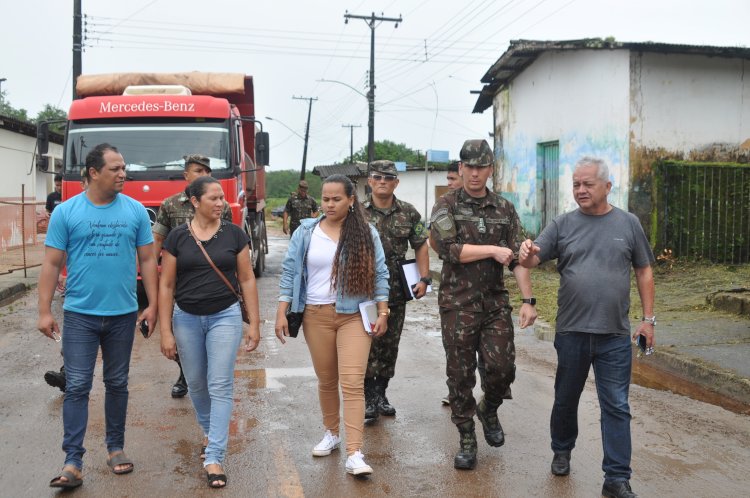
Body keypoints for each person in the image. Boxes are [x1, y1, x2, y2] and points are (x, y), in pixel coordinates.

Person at [518, 157, 655, 498]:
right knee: (566, 399)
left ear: (607, 187)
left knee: (617, 406)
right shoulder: (562, 224)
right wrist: (526, 250)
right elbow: (533, 258)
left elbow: (644, 271)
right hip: (572, 332)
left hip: (614, 335)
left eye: (587, 184)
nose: (580, 190)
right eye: (576, 184)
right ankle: (561, 449)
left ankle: (616, 478)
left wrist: (648, 321)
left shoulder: (628, 224)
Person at [37, 143, 158, 489]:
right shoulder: (67, 212)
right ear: (93, 172)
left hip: (122, 315)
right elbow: (51, 262)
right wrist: (44, 310)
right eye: (115, 169)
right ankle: (73, 462)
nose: (123, 174)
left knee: (117, 383)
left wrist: (151, 304)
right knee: (76, 386)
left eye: (124, 168)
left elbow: (148, 260)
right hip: (79, 316)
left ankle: (115, 448)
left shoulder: (135, 211)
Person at [430, 139, 537, 470]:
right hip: (457, 303)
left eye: (481, 167)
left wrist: (528, 299)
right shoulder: (446, 205)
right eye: (469, 167)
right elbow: (449, 250)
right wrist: (492, 249)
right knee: (460, 374)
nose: (475, 174)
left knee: (501, 368)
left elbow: (518, 258)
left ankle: (489, 407)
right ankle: (466, 436)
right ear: (461, 168)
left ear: (491, 170)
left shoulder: (504, 209)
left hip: (493, 303)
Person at [275, 174, 389, 476]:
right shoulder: (306, 231)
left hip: (354, 315)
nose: (329, 204)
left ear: (351, 200)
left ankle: (354, 452)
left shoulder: (366, 233)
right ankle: (331, 433)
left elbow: (380, 273)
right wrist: (281, 311)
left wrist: (383, 311)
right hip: (315, 315)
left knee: (352, 383)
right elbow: (289, 272)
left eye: (336, 198)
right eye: (325, 198)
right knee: (327, 380)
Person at [158, 176, 261, 489]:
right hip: (186, 318)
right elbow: (166, 284)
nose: (220, 204)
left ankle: (215, 455)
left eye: (222, 198)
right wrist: (166, 330)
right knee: (197, 383)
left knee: (220, 383)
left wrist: (254, 323)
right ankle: (210, 432)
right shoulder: (176, 237)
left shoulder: (234, 234)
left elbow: (246, 280)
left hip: (224, 316)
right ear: (194, 201)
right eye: (213, 198)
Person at [152, 154, 233, 399]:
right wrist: (148, 268)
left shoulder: (222, 205)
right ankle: (186, 374)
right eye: (198, 170)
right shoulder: (170, 204)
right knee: (183, 331)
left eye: (207, 170)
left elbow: (227, 239)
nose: (204, 174)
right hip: (180, 279)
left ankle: (207, 376)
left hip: (211, 279)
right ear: (186, 175)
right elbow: (158, 239)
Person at [362, 160, 430, 420]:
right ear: (369, 181)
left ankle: (381, 394)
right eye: (377, 177)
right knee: (368, 342)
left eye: (388, 178)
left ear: (396, 182)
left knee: (390, 343)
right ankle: (368, 397)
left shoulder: (409, 213)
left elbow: (421, 244)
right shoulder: (357, 211)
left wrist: (424, 278)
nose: (382, 181)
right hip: (365, 292)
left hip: (396, 291)